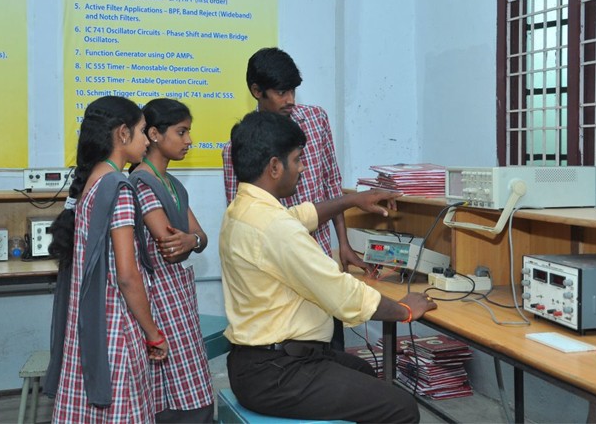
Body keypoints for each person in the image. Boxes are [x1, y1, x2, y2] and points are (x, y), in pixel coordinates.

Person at [219, 111, 437, 423]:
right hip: (277, 374)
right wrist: (404, 310)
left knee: (363, 370)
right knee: (400, 407)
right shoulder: (274, 228)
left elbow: (301, 215)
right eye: (297, 160)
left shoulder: (242, 210)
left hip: (257, 362)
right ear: (275, 167)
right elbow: (343, 295)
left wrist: (351, 201)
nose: (303, 168)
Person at [222, 47, 366, 349]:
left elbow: (331, 184)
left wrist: (343, 245)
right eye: (281, 92)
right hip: (277, 274)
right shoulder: (239, 146)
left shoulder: (314, 121)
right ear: (257, 91)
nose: (290, 100)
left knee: (332, 346)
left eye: (293, 91)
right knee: (294, 349)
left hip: (321, 259)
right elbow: (240, 215)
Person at [45, 96, 168, 423]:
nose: (147, 140)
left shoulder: (91, 183)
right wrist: (153, 332)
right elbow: (127, 275)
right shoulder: (119, 188)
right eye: (143, 132)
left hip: (88, 327)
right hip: (116, 330)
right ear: (122, 134)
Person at [129, 99, 213, 423]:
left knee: (188, 380)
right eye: (182, 132)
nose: (189, 141)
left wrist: (191, 240)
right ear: (154, 133)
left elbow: (199, 238)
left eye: (188, 132)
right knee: (170, 387)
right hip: (158, 296)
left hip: (177, 294)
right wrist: (190, 241)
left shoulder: (173, 186)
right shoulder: (141, 182)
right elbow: (169, 245)